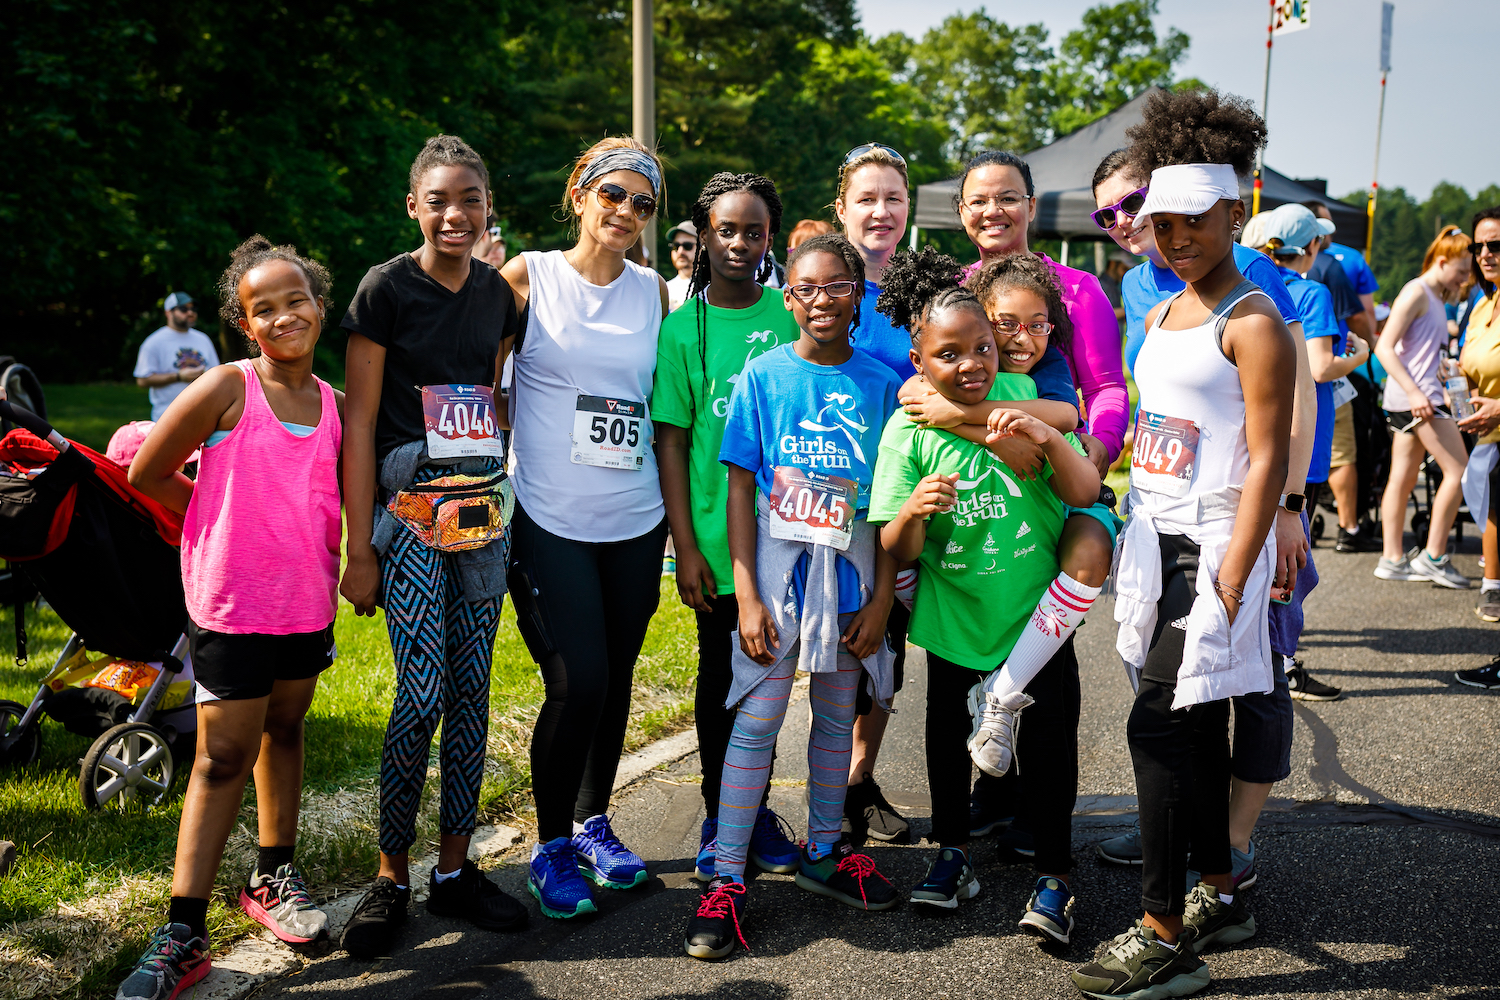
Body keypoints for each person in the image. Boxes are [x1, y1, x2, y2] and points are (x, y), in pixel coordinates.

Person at [1072, 89, 1296, 999]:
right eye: (1160, 224)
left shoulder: (1254, 322)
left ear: (1234, 213)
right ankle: (1221, 890)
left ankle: (1165, 932)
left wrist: (1234, 575)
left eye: (1194, 222)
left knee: (1158, 728)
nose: (1174, 238)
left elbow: (1271, 456)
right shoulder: (1162, 314)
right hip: (1153, 544)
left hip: (1212, 552)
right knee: (1193, 731)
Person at [116, 237, 343, 1000]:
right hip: (231, 607)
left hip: (304, 605)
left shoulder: (337, 407)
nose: (283, 316)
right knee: (221, 758)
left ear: (319, 304)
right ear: (246, 326)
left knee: (286, 729)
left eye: (294, 300)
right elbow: (145, 471)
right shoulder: (225, 387)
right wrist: (208, 518)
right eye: (263, 308)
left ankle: (273, 878)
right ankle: (183, 929)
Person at [869, 248, 1102, 941]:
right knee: (947, 743)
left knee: (1052, 746)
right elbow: (895, 546)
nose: (971, 363)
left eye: (982, 348)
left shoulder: (1024, 402)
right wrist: (913, 511)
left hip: (1034, 621)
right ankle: (951, 856)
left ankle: (1056, 875)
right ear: (920, 362)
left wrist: (1041, 437)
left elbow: (1084, 490)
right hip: (955, 620)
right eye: (950, 353)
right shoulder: (906, 431)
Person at [683, 233, 901, 960]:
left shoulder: (880, 383)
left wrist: (878, 602)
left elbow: (894, 499)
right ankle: (725, 878)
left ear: (857, 293)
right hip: (778, 580)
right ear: (788, 297)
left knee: (838, 716)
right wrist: (746, 592)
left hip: (851, 581)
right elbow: (739, 488)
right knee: (759, 719)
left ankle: (823, 850)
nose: (820, 301)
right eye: (805, 288)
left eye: (836, 286)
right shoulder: (763, 378)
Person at [338, 135, 528, 958]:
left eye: (472, 199)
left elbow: (491, 395)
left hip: (481, 515)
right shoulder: (385, 289)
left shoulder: (497, 295)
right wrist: (359, 548)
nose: (457, 214)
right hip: (410, 516)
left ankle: (454, 869)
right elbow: (356, 425)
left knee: (473, 691)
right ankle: (390, 877)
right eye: (441, 200)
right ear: (413, 206)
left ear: (489, 207)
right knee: (420, 693)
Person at [499, 136, 670, 920]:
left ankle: (596, 822)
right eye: (613, 195)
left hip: (636, 519)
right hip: (549, 516)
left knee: (618, 676)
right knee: (580, 680)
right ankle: (550, 845)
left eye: (642, 203)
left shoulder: (658, 294)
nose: (626, 213)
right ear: (579, 194)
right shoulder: (527, 278)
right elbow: (480, 386)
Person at [651, 173, 804, 883]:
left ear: (771, 238)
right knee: (725, 683)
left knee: (771, 686)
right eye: (725, 231)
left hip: (799, 538)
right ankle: (721, 816)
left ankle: (756, 810)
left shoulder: (791, 313)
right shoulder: (683, 330)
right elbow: (673, 442)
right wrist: (686, 549)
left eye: (754, 231)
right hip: (718, 542)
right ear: (702, 237)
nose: (739, 243)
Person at [829, 142, 914, 843]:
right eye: (867, 198)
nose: (880, 211)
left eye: (893, 198)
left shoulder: (926, 296)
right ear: (841, 209)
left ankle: (859, 780)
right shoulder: (814, 287)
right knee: (825, 652)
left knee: (884, 647)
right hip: (818, 504)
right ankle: (814, 793)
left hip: (896, 505)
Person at [948, 149, 1129, 475]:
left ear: (1031, 206)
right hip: (968, 479)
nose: (992, 211)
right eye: (977, 202)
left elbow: (1105, 387)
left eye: (1008, 198)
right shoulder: (950, 293)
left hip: (1056, 470)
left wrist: (1104, 440)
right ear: (962, 212)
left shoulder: (1078, 290)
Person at [1373, 225, 1474, 588]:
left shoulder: (1433, 295)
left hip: (1416, 398)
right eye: (1462, 271)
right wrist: (1417, 392)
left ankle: (1392, 557)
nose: (1465, 279)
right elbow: (1384, 347)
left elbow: (1414, 351)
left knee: (1401, 478)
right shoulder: (1417, 292)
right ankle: (1432, 555)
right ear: (1442, 261)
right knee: (1460, 471)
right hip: (1418, 401)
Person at [1457, 207, 1500, 669]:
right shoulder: (1484, 303)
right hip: (1486, 439)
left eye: (1496, 245)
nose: (1485, 254)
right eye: (1479, 246)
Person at [134, 292, 221, 420]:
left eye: (193, 309)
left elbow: (216, 373)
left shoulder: (203, 339)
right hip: (167, 416)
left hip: (204, 414)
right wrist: (178, 376)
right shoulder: (154, 342)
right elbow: (142, 380)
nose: (190, 313)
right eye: (183, 309)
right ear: (168, 313)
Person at [665, 220, 698, 312]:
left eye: (687, 246)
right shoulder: (665, 289)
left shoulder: (712, 289)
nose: (680, 251)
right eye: (676, 246)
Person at [1099, 251, 1133, 326]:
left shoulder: (1114, 285)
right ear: (1112, 264)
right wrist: (1132, 309)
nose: (1126, 273)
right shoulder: (1100, 285)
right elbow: (1101, 314)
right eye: (1124, 269)